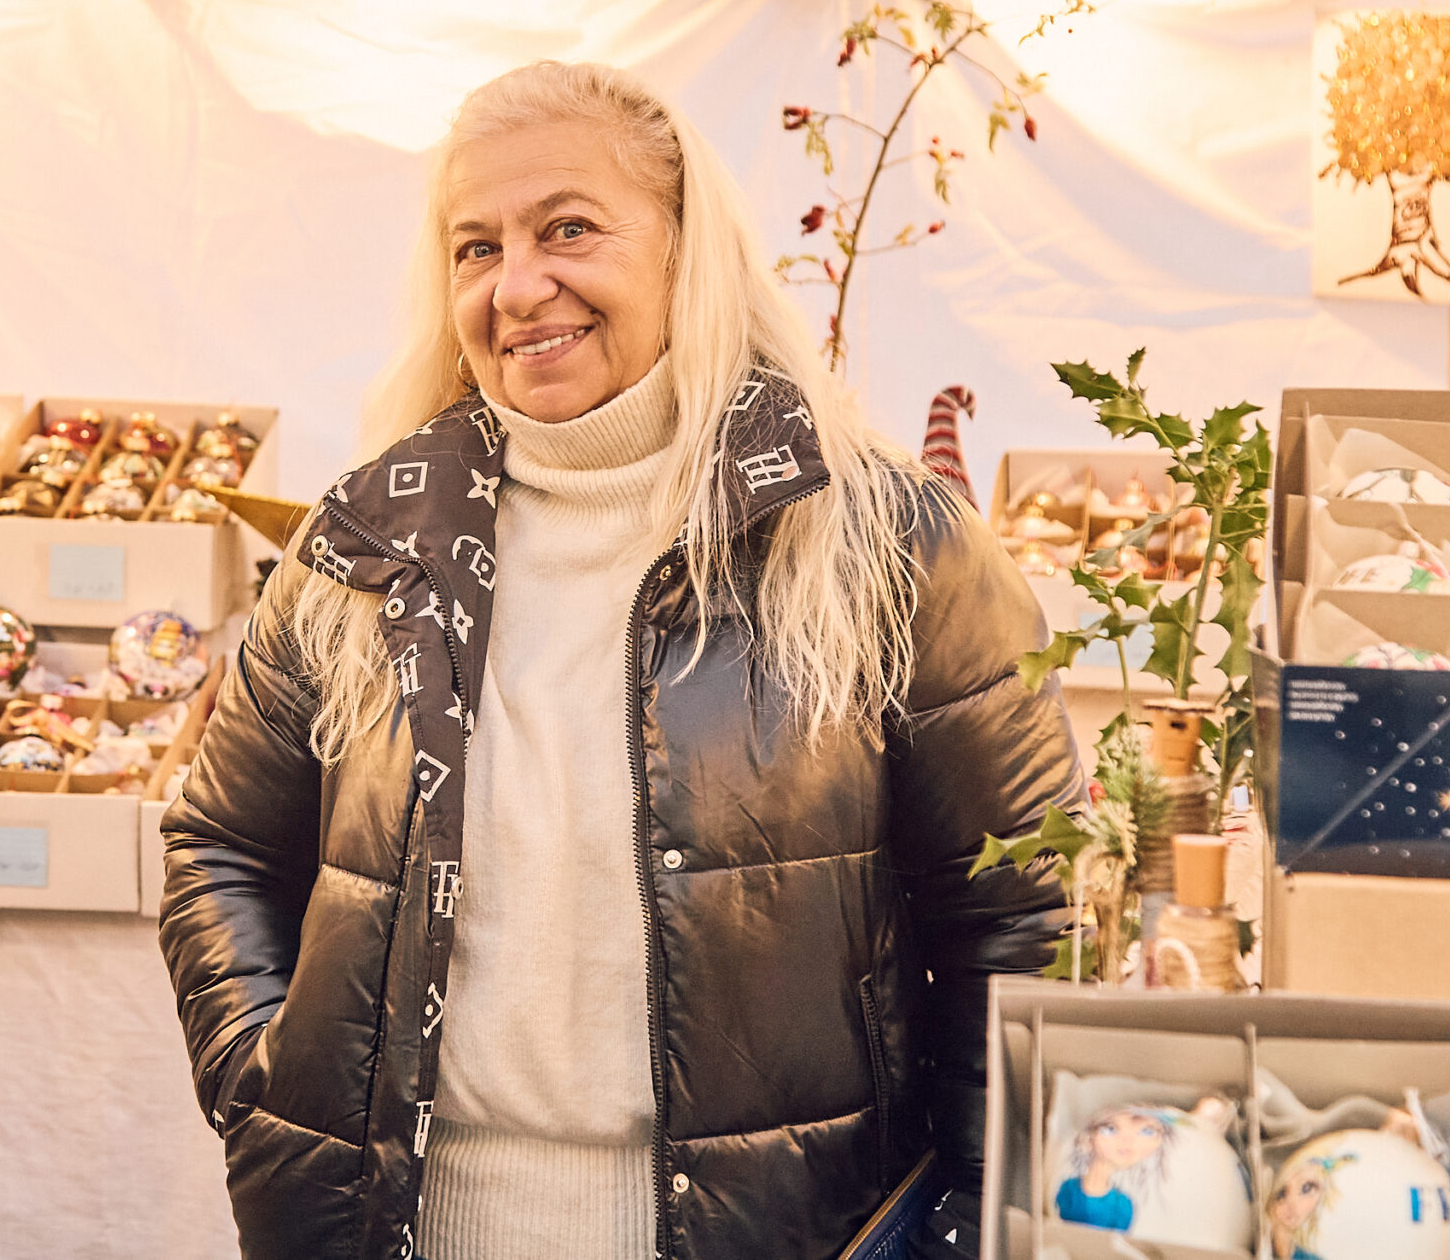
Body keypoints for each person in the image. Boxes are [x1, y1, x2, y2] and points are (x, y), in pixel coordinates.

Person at [159, 61, 1082, 1260]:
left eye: (569, 229)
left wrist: (968, 1220)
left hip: (776, 1233)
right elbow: (220, 841)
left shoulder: (882, 546)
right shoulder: (367, 548)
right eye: (474, 248)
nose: (518, 284)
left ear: (684, 250)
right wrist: (266, 1086)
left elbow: (1019, 907)